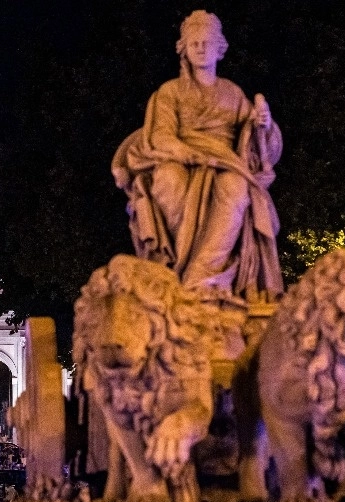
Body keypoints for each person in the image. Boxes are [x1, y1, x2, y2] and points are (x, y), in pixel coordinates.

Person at [112, 10, 283, 302]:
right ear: (185, 49)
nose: (201, 48)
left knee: (236, 187)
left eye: (207, 43)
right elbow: (161, 136)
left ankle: (201, 277)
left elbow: (256, 144)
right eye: (195, 43)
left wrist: (263, 125)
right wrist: (191, 155)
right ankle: (185, 269)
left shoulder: (233, 93)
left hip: (226, 162)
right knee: (166, 179)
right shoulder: (169, 92)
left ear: (220, 48)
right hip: (183, 158)